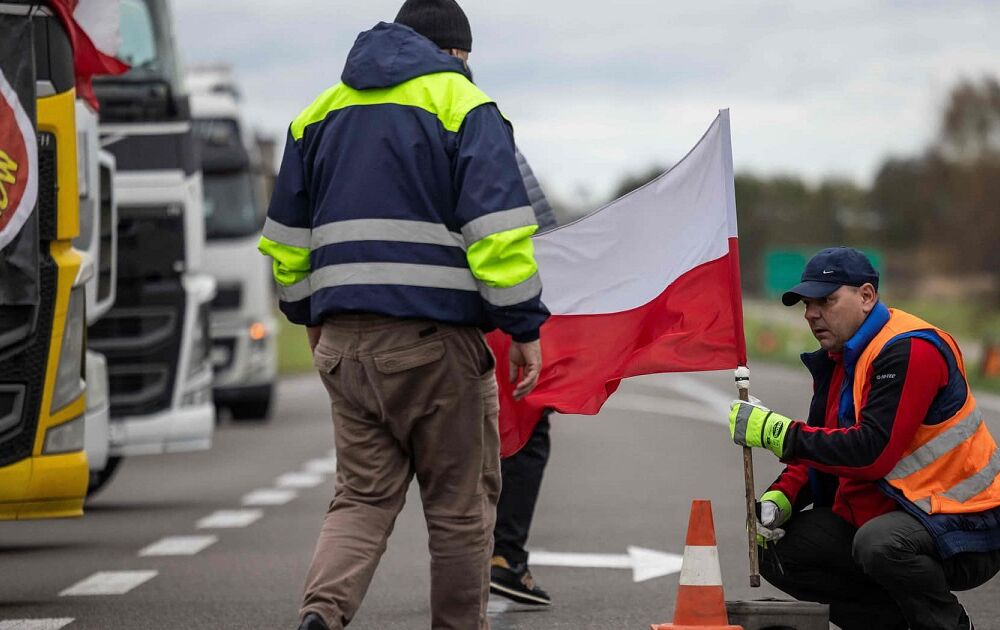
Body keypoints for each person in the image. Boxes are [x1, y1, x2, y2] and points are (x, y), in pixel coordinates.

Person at [257, 1, 549, 627]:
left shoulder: (318, 112)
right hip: (435, 346)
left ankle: (321, 616)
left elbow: (285, 241)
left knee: (360, 498)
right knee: (460, 510)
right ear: (455, 53)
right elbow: (497, 238)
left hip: (341, 342)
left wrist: (311, 316)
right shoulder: (464, 106)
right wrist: (523, 326)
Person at [728, 247, 1000, 630]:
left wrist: (777, 433)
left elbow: (871, 452)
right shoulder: (844, 356)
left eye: (826, 300)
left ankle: (947, 625)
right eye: (807, 303)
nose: (811, 314)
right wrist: (783, 495)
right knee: (772, 549)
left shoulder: (909, 350)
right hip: (903, 511)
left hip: (966, 521)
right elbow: (828, 443)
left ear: (867, 296)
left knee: (879, 544)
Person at [489, 149, 557, 607]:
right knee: (526, 423)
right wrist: (525, 322)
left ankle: (328, 599)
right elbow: (538, 230)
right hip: (489, 308)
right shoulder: (479, 122)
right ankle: (503, 559)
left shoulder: (345, 118)